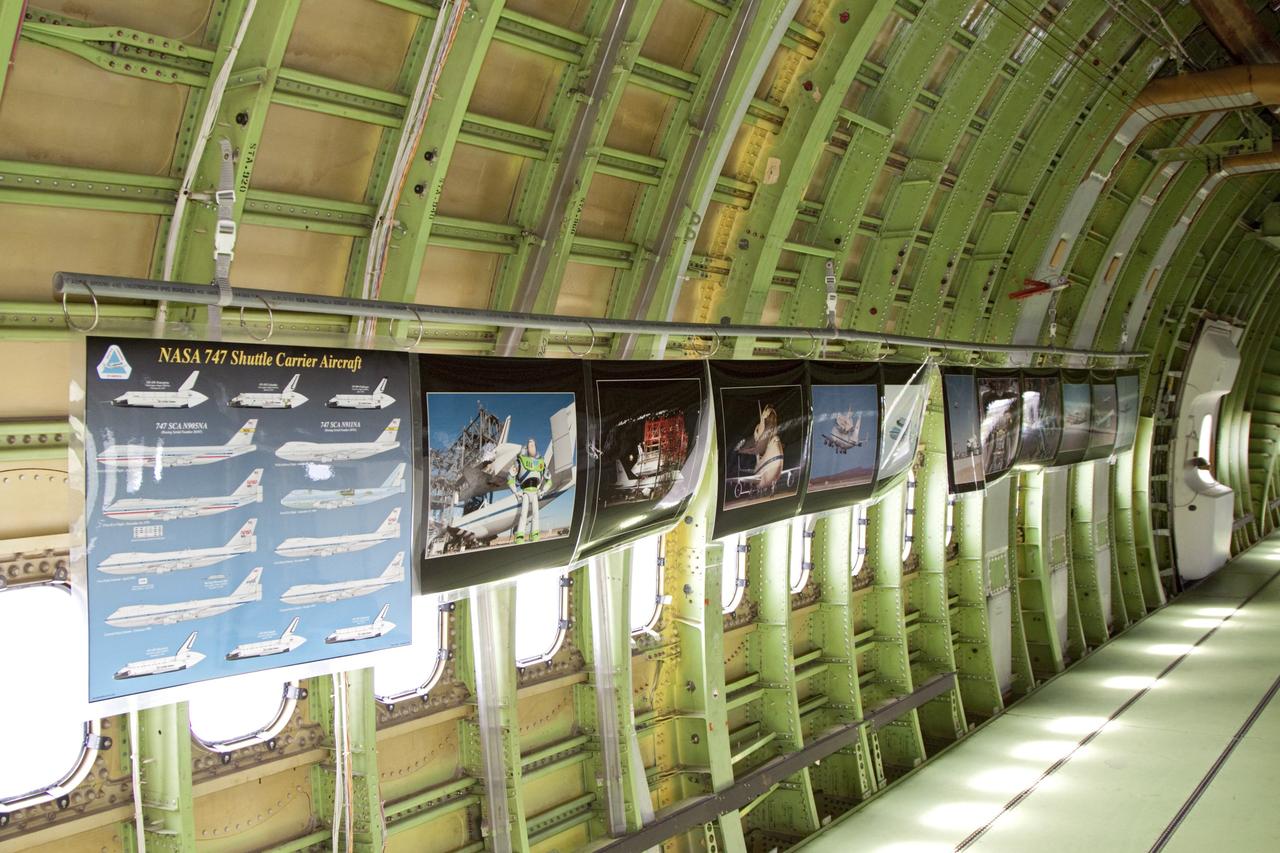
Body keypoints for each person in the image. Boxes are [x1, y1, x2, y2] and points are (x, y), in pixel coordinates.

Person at [508, 438, 550, 542]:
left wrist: (544, 490)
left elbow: (549, 480)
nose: (531, 447)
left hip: (535, 492)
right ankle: (520, 535)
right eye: (529, 445)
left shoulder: (541, 463)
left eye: (533, 445)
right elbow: (510, 477)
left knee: (536, 514)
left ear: (536, 447)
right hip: (526, 492)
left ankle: (535, 534)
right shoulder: (520, 461)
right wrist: (515, 491)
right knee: (524, 514)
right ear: (526, 448)